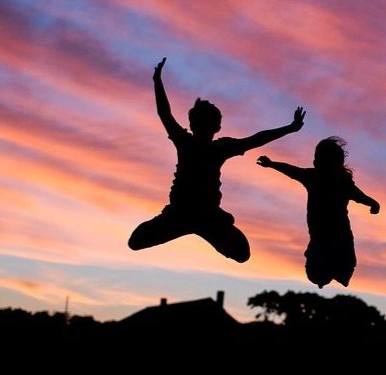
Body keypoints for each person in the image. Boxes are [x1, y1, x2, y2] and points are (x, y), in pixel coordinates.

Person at [128, 57, 305, 262]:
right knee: (135, 242)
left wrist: (157, 81)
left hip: (204, 216)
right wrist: (290, 128)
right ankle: (191, 227)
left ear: (194, 125)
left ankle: (201, 227)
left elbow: (164, 114)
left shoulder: (196, 143)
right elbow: (256, 139)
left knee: (242, 254)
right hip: (181, 215)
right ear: (217, 127)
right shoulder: (201, 144)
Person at [256, 137, 380, 288]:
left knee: (342, 264)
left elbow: (359, 196)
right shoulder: (315, 177)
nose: (316, 162)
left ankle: (335, 272)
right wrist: (272, 164)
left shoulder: (337, 181)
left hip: (337, 235)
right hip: (323, 236)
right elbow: (291, 170)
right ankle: (326, 274)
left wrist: (373, 203)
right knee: (319, 271)